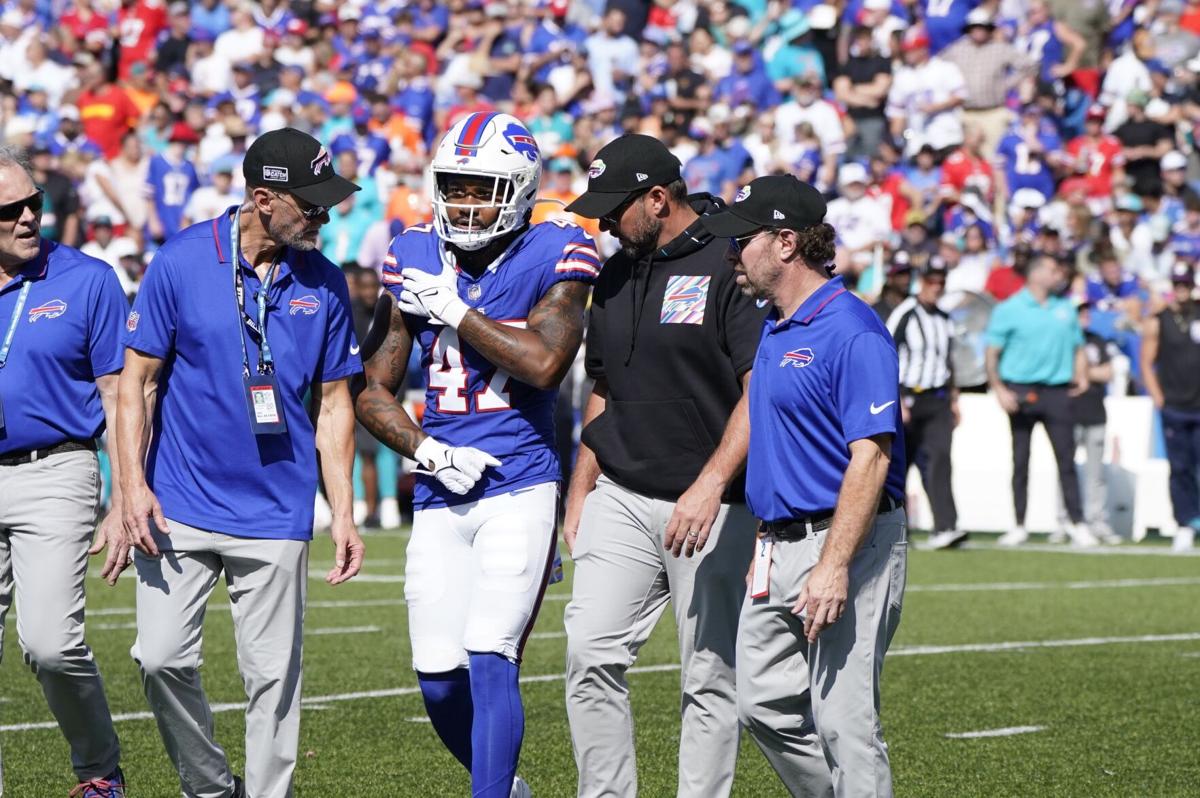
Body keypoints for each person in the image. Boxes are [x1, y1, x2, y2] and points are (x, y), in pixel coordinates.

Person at [116, 128, 366, 798]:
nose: (325, 216)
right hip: (179, 502)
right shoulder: (181, 260)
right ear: (262, 199)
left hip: (278, 508)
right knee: (159, 659)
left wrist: (343, 512)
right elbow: (136, 383)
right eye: (311, 206)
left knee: (273, 685)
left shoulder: (326, 281)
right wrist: (130, 488)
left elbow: (336, 406)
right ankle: (208, 786)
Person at [354, 112, 598, 798]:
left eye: (481, 187)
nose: (464, 203)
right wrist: (426, 449)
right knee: (435, 675)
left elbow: (547, 363)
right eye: (454, 187)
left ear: (519, 190)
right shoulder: (413, 252)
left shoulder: (558, 250)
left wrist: (457, 311)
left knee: (491, 653)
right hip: (441, 487)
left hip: (520, 482)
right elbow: (372, 387)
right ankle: (509, 787)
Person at [560, 134, 764, 798]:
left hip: (712, 501)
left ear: (658, 198)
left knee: (708, 675)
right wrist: (580, 487)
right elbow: (602, 385)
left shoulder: (730, 263)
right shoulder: (614, 273)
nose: (603, 224)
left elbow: (757, 389)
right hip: (620, 490)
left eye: (613, 210)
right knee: (589, 656)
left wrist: (710, 485)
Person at [701, 173, 908, 798]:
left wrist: (834, 564)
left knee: (846, 723)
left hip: (847, 542)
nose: (731, 254)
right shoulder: (777, 323)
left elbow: (870, 458)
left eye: (742, 240)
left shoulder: (852, 329)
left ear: (786, 243)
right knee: (761, 704)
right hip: (778, 545)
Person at [0, 146, 129, 797]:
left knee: (49, 641)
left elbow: (118, 393)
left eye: (34, 203)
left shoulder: (87, 279)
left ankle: (99, 771)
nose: (27, 218)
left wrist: (125, 494)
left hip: (56, 470)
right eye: (9, 211)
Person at [985, 253, 1099, 547]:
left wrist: (1082, 374)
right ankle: (1019, 524)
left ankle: (1077, 522)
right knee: (1020, 459)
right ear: (1035, 274)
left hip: (1058, 391)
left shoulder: (1065, 308)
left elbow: (1078, 346)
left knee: (1067, 459)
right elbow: (992, 352)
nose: (1058, 274)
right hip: (1020, 390)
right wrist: (999, 388)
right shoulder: (1009, 309)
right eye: (1052, 269)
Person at [887, 258, 963, 549]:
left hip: (938, 397)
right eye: (932, 282)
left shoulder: (945, 319)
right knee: (899, 464)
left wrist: (955, 398)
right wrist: (896, 399)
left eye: (941, 283)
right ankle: (896, 526)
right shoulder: (904, 314)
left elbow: (949, 360)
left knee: (941, 459)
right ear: (922, 282)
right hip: (908, 397)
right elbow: (887, 355)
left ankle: (946, 526)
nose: (937, 288)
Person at [1141, 263, 1200, 552]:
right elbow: (1146, 362)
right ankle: (1186, 522)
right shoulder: (1159, 319)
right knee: (1180, 467)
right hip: (1175, 405)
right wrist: (1158, 397)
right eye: (1177, 284)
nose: (1181, 289)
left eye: (1185, 284)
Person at [1053, 299, 1120, 545]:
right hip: (1067, 413)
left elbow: (1109, 372)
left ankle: (1097, 520)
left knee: (1096, 473)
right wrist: (1088, 372)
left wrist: (1082, 373)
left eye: (1085, 311)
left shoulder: (1097, 340)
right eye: (1078, 311)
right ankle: (1065, 520)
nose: (1084, 316)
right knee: (1066, 470)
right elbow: (1059, 371)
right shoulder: (1060, 339)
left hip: (1094, 413)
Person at [872, 250, 914, 321]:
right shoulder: (876, 311)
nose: (906, 279)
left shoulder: (915, 306)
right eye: (901, 274)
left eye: (908, 273)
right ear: (890, 279)